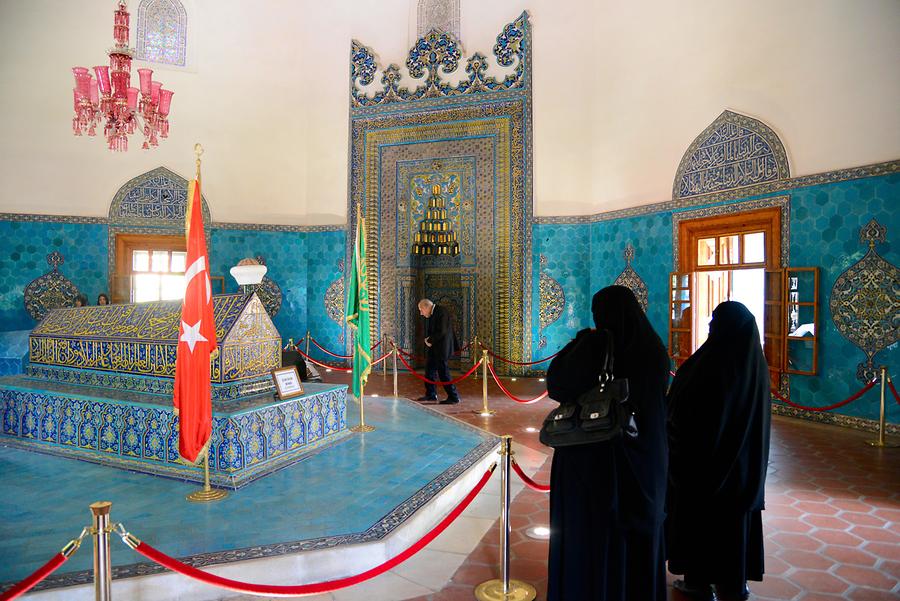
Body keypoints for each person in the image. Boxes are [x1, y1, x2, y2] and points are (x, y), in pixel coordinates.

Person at [545, 285, 669, 601]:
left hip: (595, 462)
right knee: (634, 542)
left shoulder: (596, 346)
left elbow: (557, 383)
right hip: (644, 462)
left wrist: (582, 341)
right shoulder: (653, 347)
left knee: (594, 540)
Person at [666, 301, 771, 601]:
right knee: (734, 526)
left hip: (706, 467)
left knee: (702, 523)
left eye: (716, 320)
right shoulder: (752, 366)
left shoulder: (713, 365)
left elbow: (695, 414)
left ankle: (698, 582)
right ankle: (733, 583)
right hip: (742, 470)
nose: (711, 325)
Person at [415, 298, 460, 404]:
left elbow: (442, 331)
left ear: (426, 306)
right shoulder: (433, 313)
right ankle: (431, 394)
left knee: (443, 373)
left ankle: (453, 397)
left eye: (421, 310)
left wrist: (430, 340)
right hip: (435, 348)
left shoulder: (441, 311)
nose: (421, 313)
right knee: (429, 371)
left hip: (442, 349)